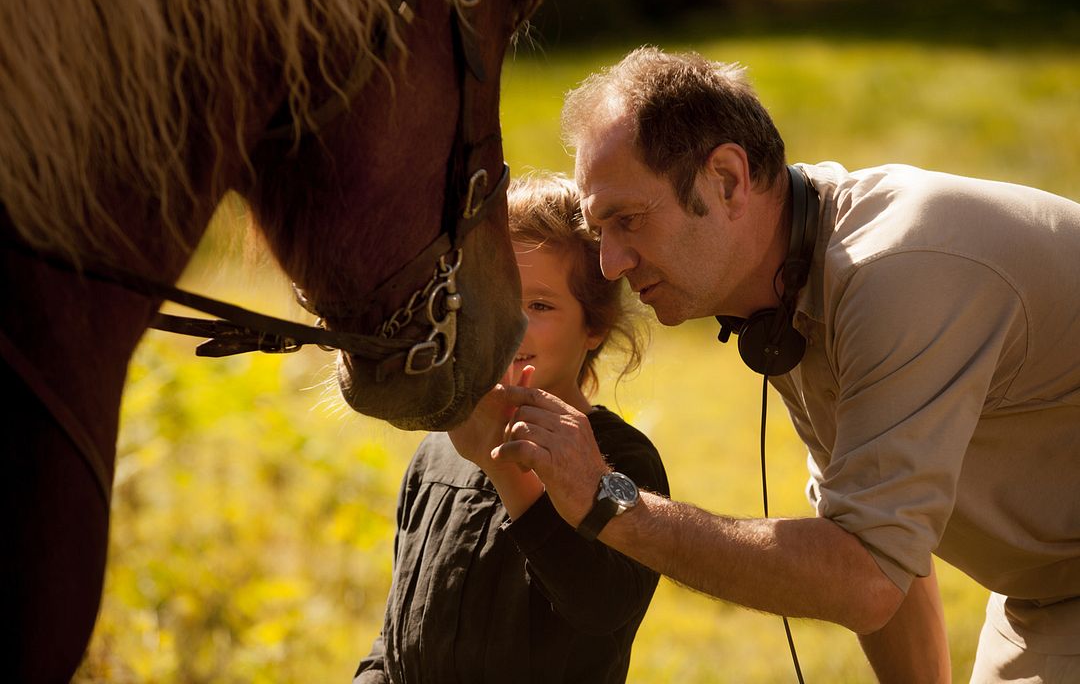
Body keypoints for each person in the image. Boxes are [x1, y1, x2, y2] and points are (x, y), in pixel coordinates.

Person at [491, 46, 1080, 682]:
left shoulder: (892, 274)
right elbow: (882, 556)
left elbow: (865, 577)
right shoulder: (786, 290)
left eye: (628, 220)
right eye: (599, 230)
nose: (610, 264)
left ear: (727, 180)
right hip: (1043, 599)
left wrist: (610, 503)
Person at [354, 173, 669, 684]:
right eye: (491, 296)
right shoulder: (439, 449)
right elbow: (396, 635)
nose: (506, 324)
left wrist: (506, 472)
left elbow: (603, 610)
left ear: (595, 326)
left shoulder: (622, 459)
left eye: (539, 305)